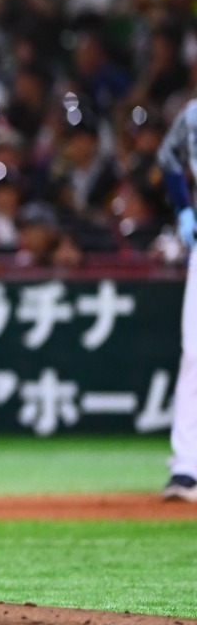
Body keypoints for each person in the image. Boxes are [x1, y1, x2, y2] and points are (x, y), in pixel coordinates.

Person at [157, 95, 197, 502]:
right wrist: (184, 208)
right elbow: (168, 156)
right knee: (195, 353)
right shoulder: (194, 115)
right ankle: (186, 467)